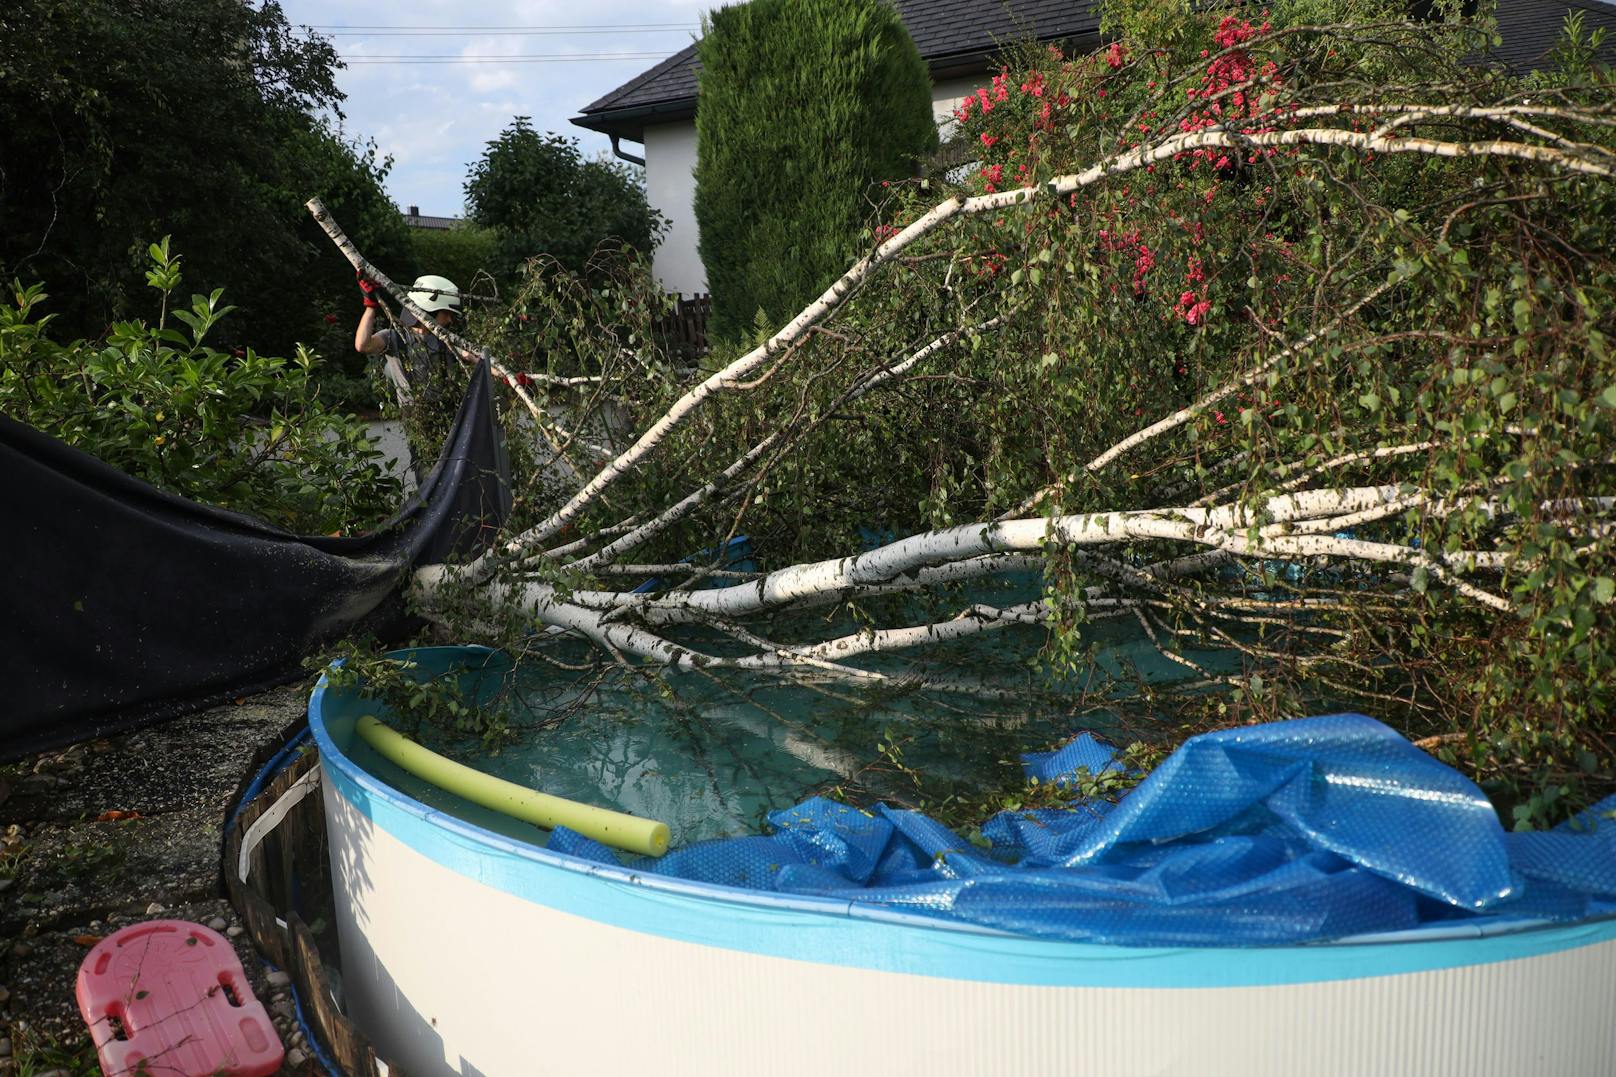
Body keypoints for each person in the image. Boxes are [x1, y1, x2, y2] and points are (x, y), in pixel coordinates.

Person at [353, 273, 477, 407]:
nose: (449, 320)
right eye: (446, 313)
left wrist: (501, 373)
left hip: (446, 411)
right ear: (430, 310)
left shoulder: (445, 340)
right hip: (414, 415)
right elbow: (363, 345)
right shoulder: (394, 337)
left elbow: (471, 355)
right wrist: (370, 307)